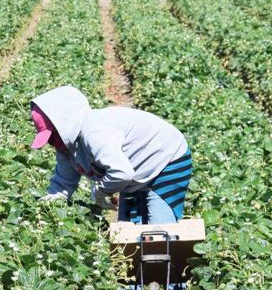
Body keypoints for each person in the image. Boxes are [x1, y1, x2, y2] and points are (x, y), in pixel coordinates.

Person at [31, 85, 192, 225]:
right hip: (135, 171)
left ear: (65, 125)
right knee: (127, 230)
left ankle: (167, 257)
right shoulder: (65, 146)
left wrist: (100, 192)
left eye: (52, 135)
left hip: (167, 158)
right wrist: (45, 207)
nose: (51, 142)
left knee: (159, 232)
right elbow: (63, 184)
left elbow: (122, 173)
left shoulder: (95, 132)